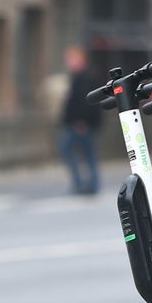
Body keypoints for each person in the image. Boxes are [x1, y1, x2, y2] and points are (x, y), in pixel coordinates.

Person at [58, 46, 102, 195]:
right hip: (80, 123)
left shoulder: (85, 78)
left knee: (71, 150)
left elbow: (86, 102)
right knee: (86, 153)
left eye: (71, 59)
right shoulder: (79, 77)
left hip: (81, 124)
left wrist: (82, 121)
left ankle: (84, 184)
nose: (68, 63)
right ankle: (88, 184)